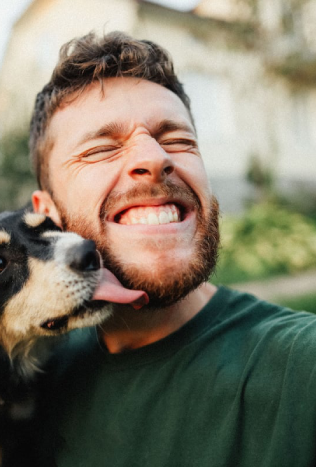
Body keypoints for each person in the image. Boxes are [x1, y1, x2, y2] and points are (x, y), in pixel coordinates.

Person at [29, 31, 316, 466]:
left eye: (178, 140)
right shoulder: (25, 387)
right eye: (103, 148)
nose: (155, 157)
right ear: (47, 215)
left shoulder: (301, 369)